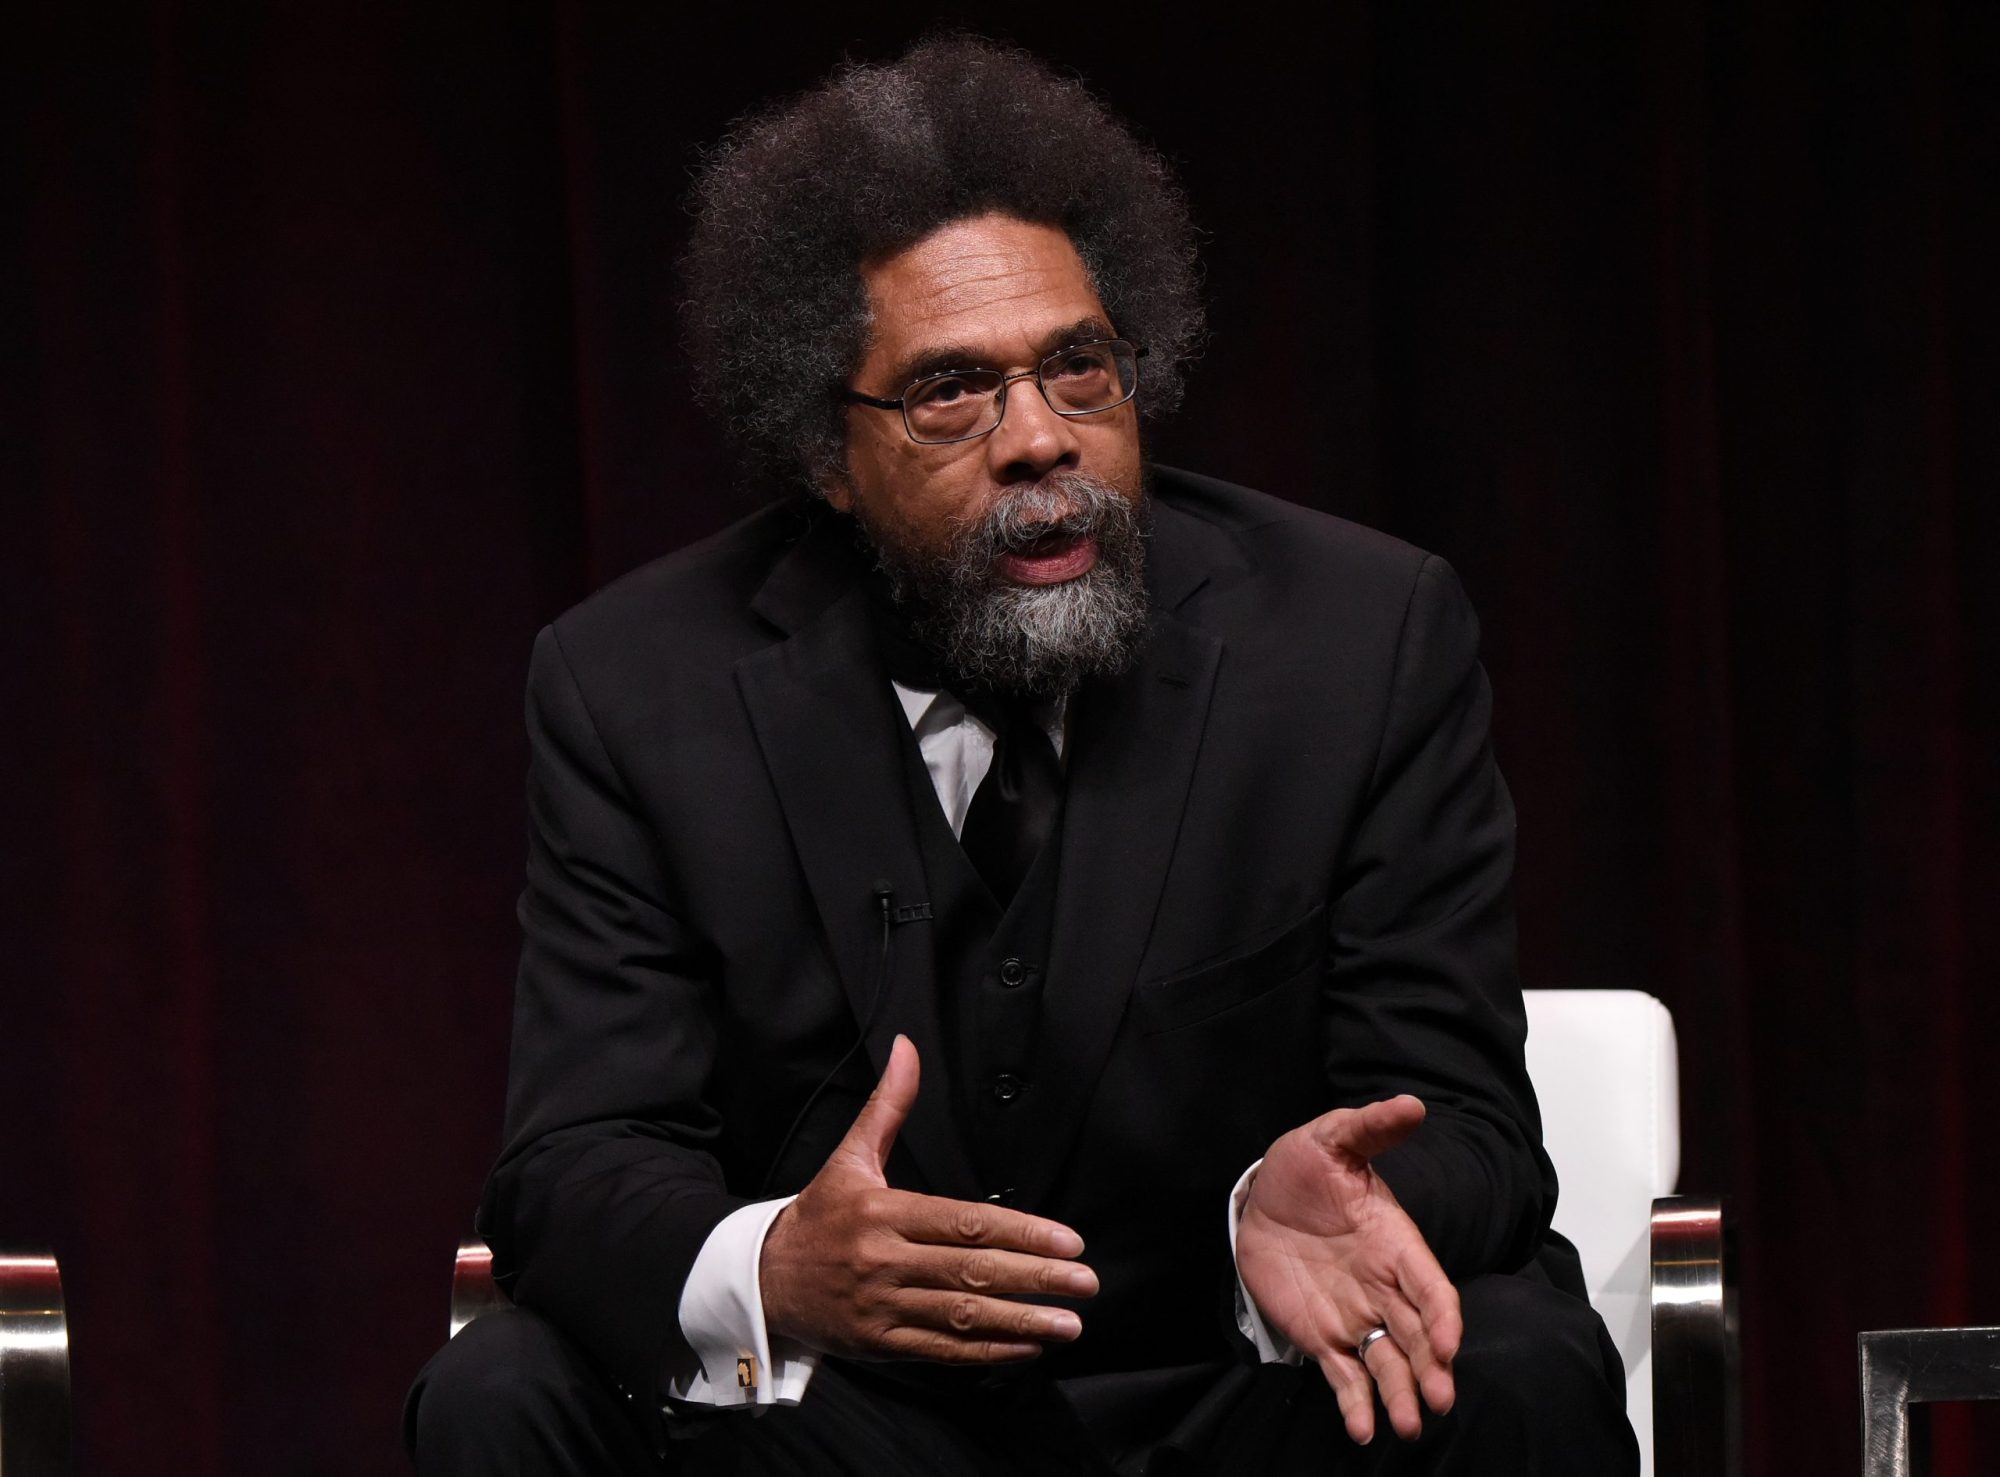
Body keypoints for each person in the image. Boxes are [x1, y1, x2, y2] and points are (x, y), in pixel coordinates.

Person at [405, 35, 1638, 1477]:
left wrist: (1275, 1210)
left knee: (1520, 1360)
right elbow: (572, 1161)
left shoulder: (1360, 639)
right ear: (824, 449)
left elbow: (1474, 1113)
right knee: (502, 1390)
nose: (1040, 440)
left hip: (1233, 1388)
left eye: (1079, 368)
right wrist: (780, 1264)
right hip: (856, 1428)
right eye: (951, 391)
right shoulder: (637, 686)